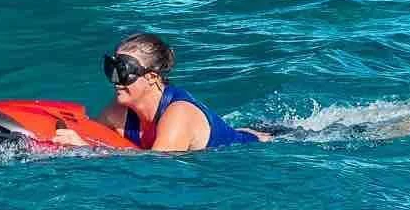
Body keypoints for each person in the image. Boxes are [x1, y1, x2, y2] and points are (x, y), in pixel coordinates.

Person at [52, 33, 268, 152]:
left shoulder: (178, 116)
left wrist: (88, 150)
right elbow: (89, 135)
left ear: (152, 78)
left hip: (253, 150)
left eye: (124, 71)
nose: (115, 80)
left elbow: (156, 172)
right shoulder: (117, 112)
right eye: (112, 69)